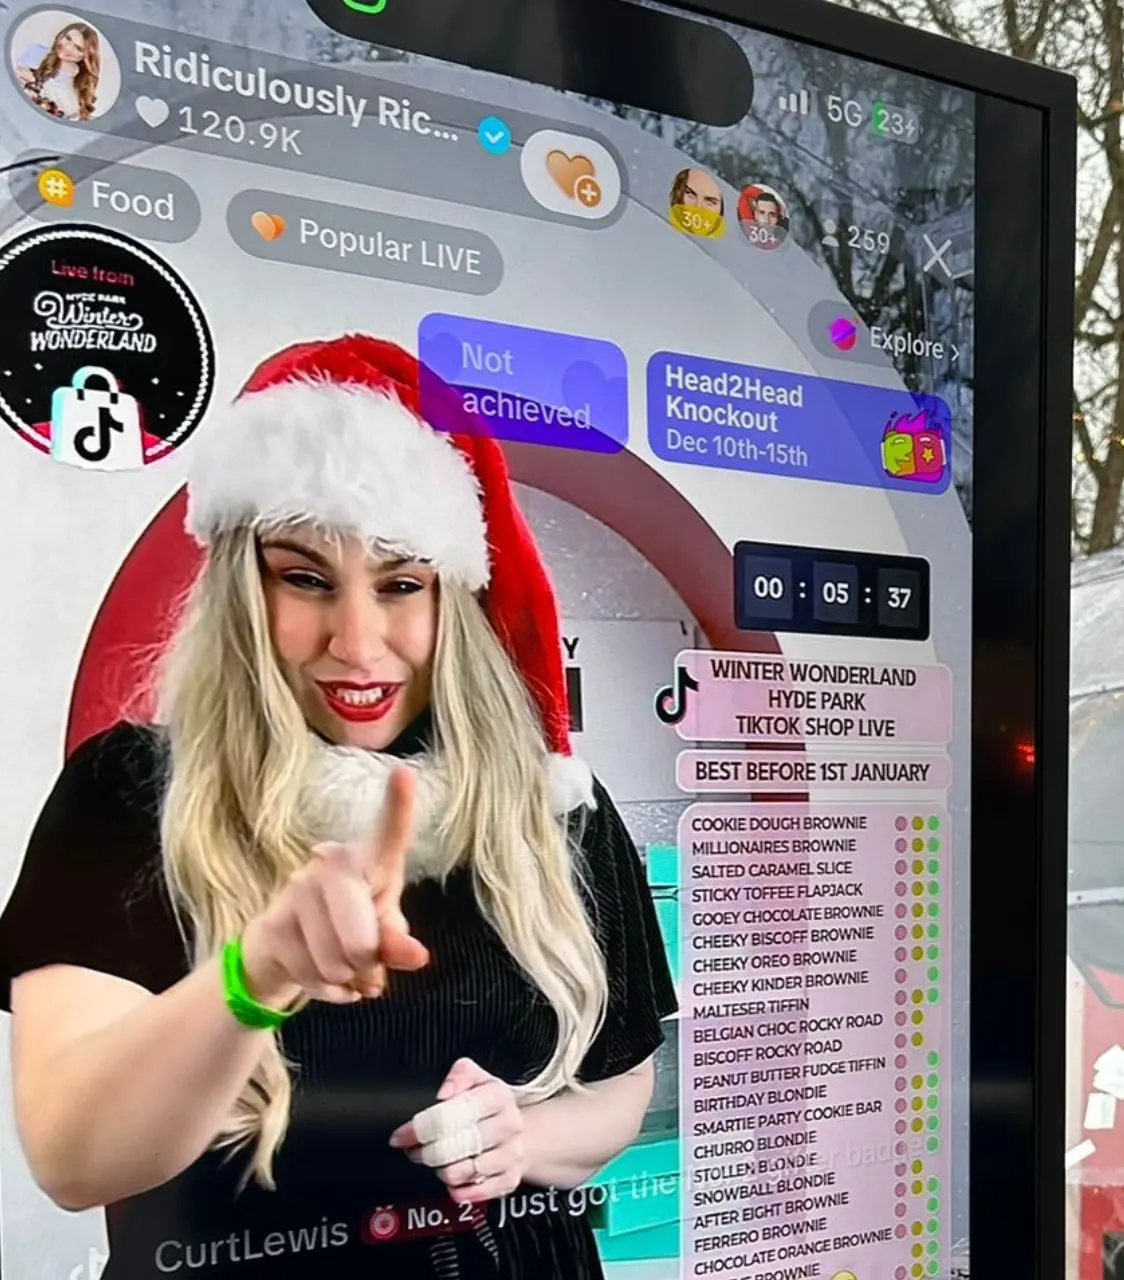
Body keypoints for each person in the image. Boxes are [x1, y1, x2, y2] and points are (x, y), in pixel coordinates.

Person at [0, 335, 676, 1278]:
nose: (357, 643)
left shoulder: (552, 803)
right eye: (306, 579)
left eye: (401, 585)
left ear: (455, 598)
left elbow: (621, 1086)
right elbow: (72, 1156)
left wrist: (524, 1137)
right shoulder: (132, 793)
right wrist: (254, 974)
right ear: (245, 584)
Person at [15, 21, 103, 122]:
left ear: (85, 57)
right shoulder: (36, 52)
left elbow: (63, 115)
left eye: (78, 48)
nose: (68, 48)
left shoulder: (78, 83)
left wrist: (34, 86)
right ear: (62, 34)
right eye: (68, 38)